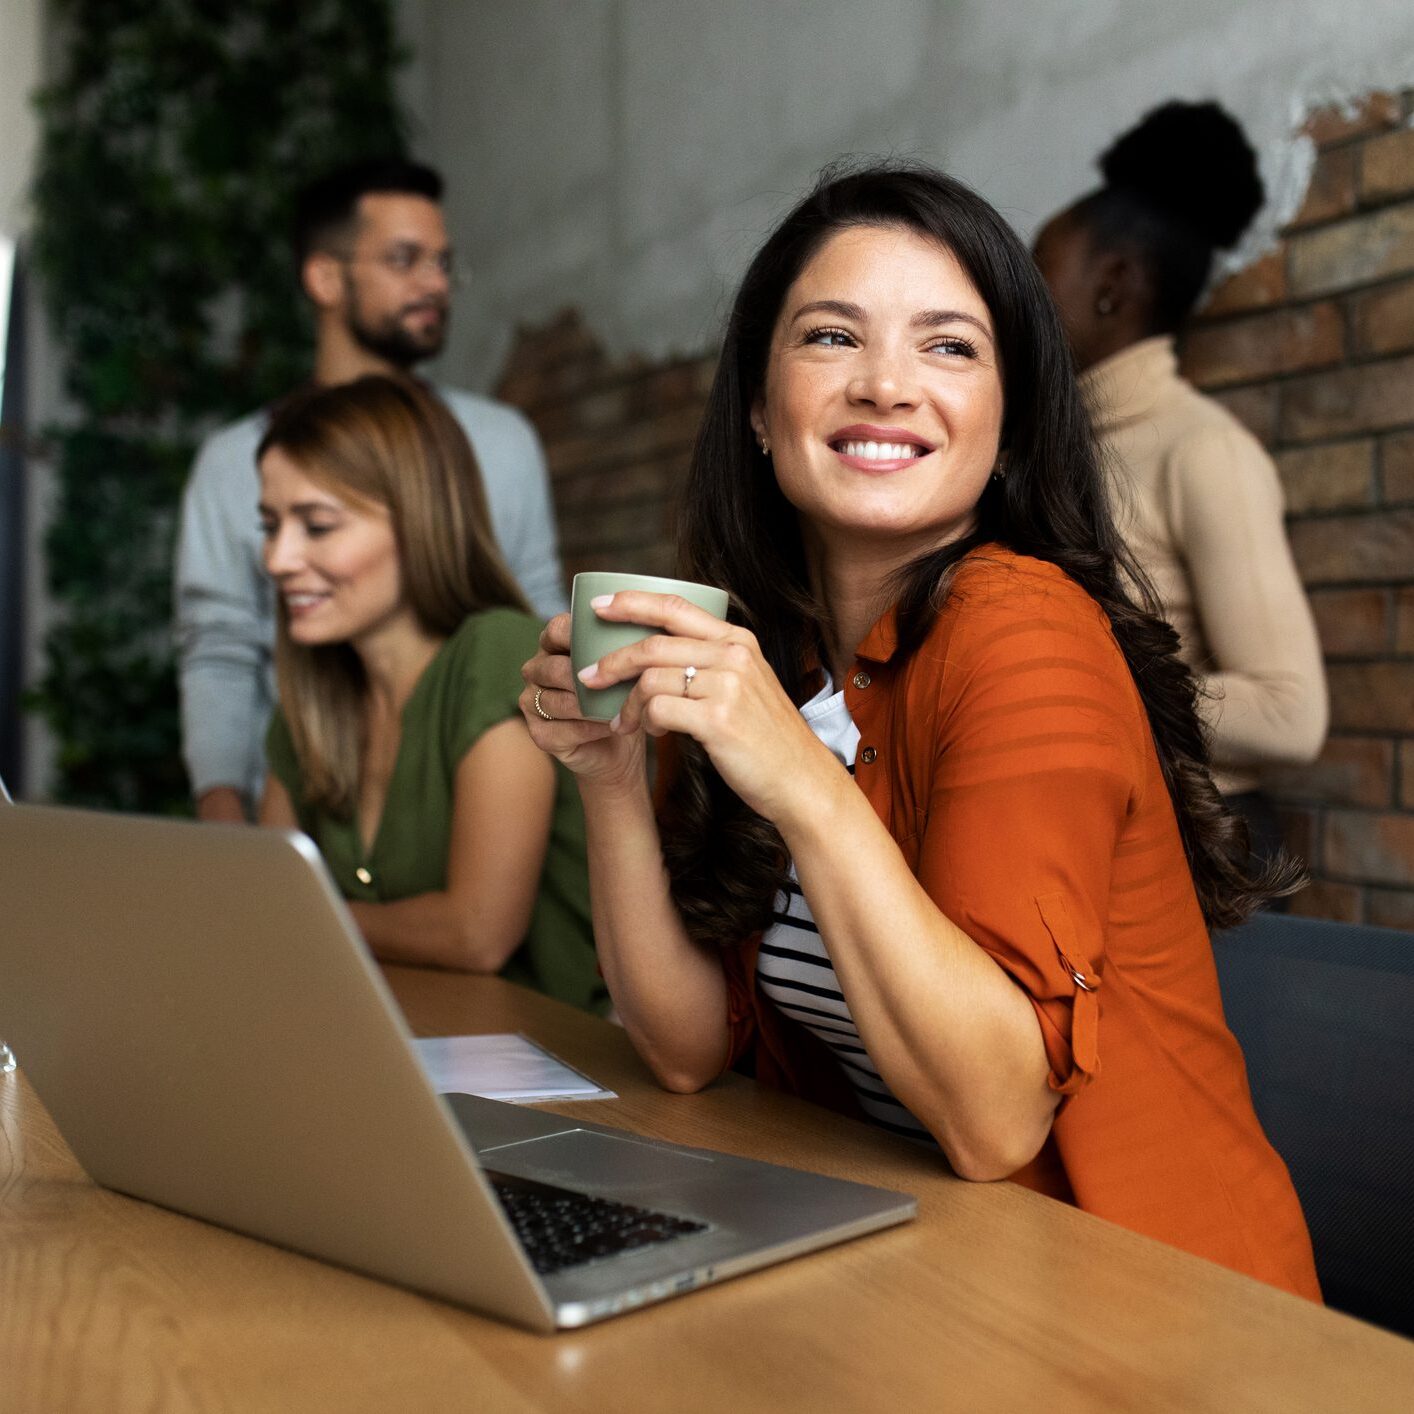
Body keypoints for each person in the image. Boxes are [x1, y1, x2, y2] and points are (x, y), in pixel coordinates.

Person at [520, 162, 1321, 1299]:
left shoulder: (1022, 631)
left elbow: (998, 1120)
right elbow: (687, 1049)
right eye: (831, 338)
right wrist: (608, 777)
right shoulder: (783, 657)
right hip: (937, 1268)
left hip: (1161, 1302)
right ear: (757, 406)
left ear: (1007, 426)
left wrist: (799, 778)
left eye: (947, 346)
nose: (885, 384)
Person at [176, 156, 566, 824]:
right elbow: (220, 647)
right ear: (325, 277)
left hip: (481, 809)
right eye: (404, 259)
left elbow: (539, 621)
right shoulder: (234, 461)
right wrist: (229, 832)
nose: (434, 283)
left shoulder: (500, 442)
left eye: (443, 263)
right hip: (306, 803)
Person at [1032, 101, 1327, 869]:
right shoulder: (1051, 453)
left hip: (1197, 856)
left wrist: (1081, 690)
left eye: (1038, 276)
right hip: (1083, 840)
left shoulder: (1204, 452)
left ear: (1114, 285)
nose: (1014, 305)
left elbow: (1292, 714)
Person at [257, 375, 604, 1015]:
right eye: (271, 524)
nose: (277, 558)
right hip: (388, 1046)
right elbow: (263, 908)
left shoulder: (498, 650)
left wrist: (312, 919)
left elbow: (477, 933)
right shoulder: (310, 699)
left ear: (418, 522)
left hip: (548, 1069)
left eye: (317, 524)